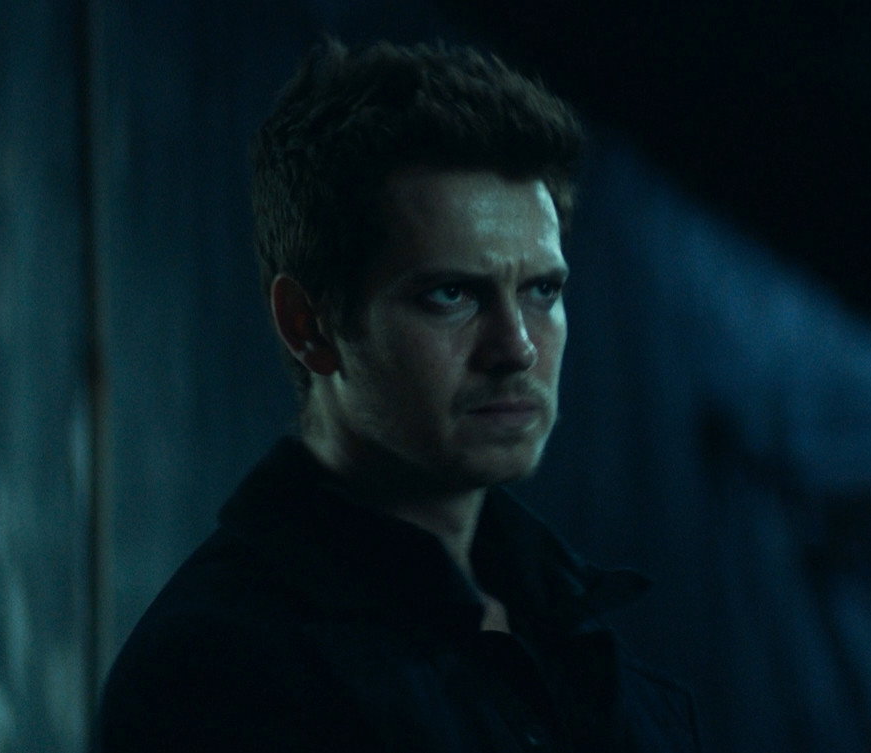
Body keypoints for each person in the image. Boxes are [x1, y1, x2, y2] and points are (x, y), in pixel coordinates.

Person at [95, 38, 701, 752]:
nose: (517, 348)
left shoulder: (582, 650)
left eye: (542, 290)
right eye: (451, 294)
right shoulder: (219, 673)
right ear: (308, 324)